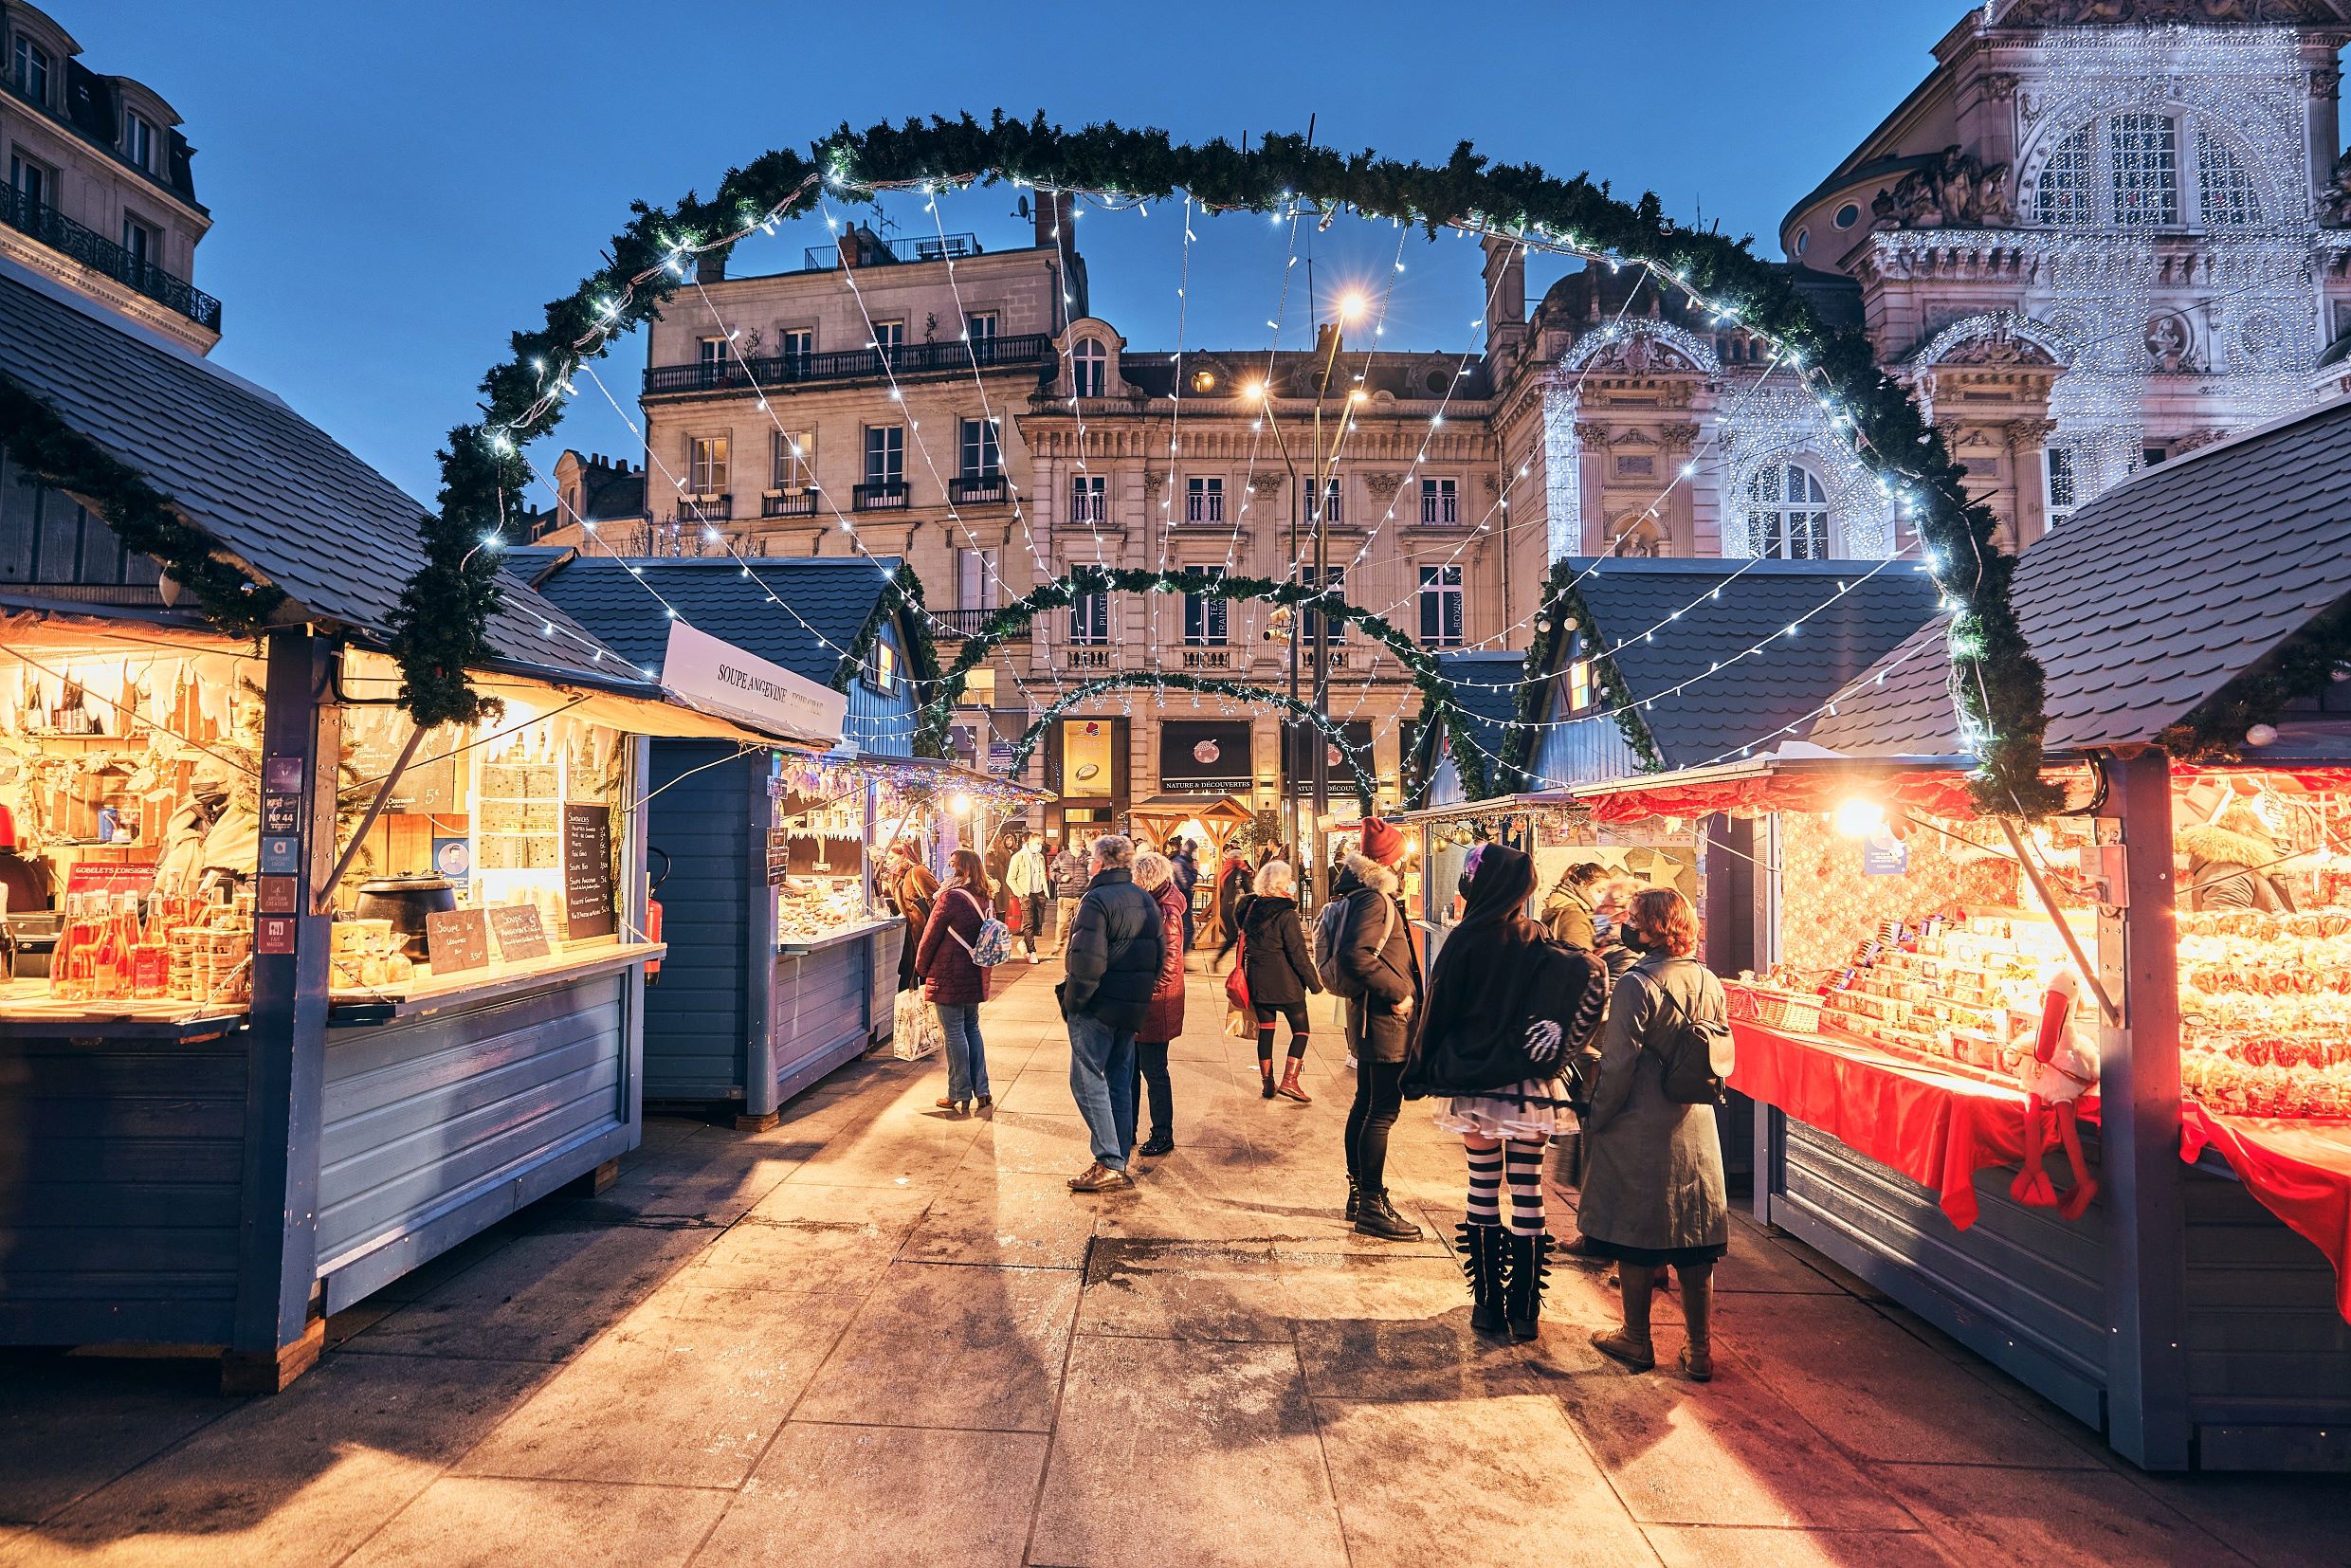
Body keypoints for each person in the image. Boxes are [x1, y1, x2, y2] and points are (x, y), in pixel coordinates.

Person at [1411, 842, 1608, 1341]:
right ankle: (1526, 1310)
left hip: (1477, 1085)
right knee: (1528, 1189)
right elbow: (1582, 976)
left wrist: (1417, 1072)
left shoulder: (1465, 940)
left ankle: (1487, 1306)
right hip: (1529, 1089)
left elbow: (1438, 1011)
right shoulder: (1538, 938)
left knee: (1481, 1186)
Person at [1580, 886, 1732, 1380]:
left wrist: (1597, 1116)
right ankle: (1700, 1349)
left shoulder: (1634, 984)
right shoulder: (1711, 981)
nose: (1628, 925)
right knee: (1694, 1237)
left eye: (1636, 919)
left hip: (1642, 1125)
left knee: (1637, 1232)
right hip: (1697, 1126)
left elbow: (1619, 1064)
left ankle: (1637, 1339)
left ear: (1652, 928)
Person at [1334, 818, 1424, 1241]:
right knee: (1382, 1111)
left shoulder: (1363, 896)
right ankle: (1371, 1202)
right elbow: (1357, 955)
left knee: (1366, 1103)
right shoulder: (1375, 901)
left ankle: (1360, 1194)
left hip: (1372, 1016)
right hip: (1384, 1019)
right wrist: (1400, 992)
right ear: (1389, 861)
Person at [1059, 834, 1166, 1194]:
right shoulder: (1145, 900)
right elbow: (1160, 956)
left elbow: (1086, 962)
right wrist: (1140, 993)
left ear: (1101, 862)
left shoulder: (1096, 899)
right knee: (1119, 1080)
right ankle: (1117, 1156)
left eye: (1091, 858)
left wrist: (1074, 1001)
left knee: (1086, 1078)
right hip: (1131, 1006)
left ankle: (1108, 1160)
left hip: (1099, 1005)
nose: (1089, 863)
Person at [1222, 859, 1321, 1103]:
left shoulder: (1250, 908)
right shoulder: (1285, 913)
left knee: (1266, 1031)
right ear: (1280, 883)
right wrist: (1314, 983)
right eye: (1288, 880)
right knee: (1302, 1030)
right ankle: (1290, 1081)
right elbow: (1297, 954)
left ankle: (1268, 1083)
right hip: (1285, 982)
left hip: (1257, 980)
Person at [916, 848, 996, 1115]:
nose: (947, 868)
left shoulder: (950, 898)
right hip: (974, 972)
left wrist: (921, 967)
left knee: (953, 1033)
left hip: (949, 973)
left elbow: (930, 935)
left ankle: (958, 1092)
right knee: (971, 1028)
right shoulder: (984, 896)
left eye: (951, 864)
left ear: (961, 868)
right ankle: (982, 1090)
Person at [1130, 848, 1189, 1158]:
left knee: (1154, 1070)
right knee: (1132, 1069)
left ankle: (1162, 1133)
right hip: (1143, 1002)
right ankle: (1128, 1128)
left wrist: (1142, 992)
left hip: (1155, 1004)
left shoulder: (1166, 913)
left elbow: (1168, 966)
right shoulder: (1156, 902)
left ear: (1147, 879)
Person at [2178, 806, 2297, 913]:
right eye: (2269, 837)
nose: (2273, 844)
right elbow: (2227, 928)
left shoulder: (2238, 869)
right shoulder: (2232, 872)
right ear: (2249, 834)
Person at [883, 845, 940, 993]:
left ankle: (927, 1013)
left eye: (891, 858)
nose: (887, 862)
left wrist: (934, 933)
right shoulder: (898, 878)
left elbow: (938, 901)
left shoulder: (918, 872)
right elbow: (898, 910)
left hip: (927, 937)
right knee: (909, 980)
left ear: (904, 856)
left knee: (925, 981)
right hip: (913, 938)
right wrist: (886, 893)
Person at [1005, 832, 1051, 961]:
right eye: (1037, 843)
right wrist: (1021, 893)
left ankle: (1024, 943)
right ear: (1029, 843)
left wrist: (1045, 892)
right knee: (1028, 923)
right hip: (1027, 894)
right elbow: (1010, 878)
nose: (1039, 846)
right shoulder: (1018, 857)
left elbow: (1042, 874)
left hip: (1040, 893)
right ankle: (1032, 952)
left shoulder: (1040, 857)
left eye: (1040, 844)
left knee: (1038, 924)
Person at [1541, 861, 1606, 950]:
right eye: (1600, 891)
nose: (1604, 897)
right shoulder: (1574, 916)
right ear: (1583, 885)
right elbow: (1581, 959)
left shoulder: (1577, 911)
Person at [1048, 837, 1087, 957]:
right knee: (1062, 923)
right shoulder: (1062, 856)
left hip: (1082, 896)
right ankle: (1058, 946)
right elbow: (1052, 872)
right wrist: (1061, 878)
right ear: (1069, 845)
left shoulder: (1088, 857)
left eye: (1078, 846)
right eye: (1074, 846)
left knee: (1081, 924)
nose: (1076, 848)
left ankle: (1077, 947)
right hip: (1065, 896)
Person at [1214, 848, 1252, 954]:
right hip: (1235, 908)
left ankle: (1230, 961)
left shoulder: (1226, 871)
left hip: (1225, 907)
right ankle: (1221, 960)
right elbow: (1248, 891)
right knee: (1235, 937)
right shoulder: (1240, 871)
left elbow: (1222, 892)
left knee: (1234, 937)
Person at [1168, 838, 1200, 960]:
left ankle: (1179, 957)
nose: (1195, 853)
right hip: (1181, 901)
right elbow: (1186, 882)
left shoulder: (1184, 861)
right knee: (1188, 930)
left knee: (1186, 930)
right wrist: (1195, 871)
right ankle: (1178, 957)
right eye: (1194, 850)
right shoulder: (1179, 862)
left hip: (1184, 899)